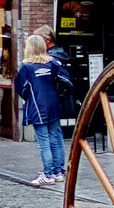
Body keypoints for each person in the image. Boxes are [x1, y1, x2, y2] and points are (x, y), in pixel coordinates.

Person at [14, 35, 73, 185]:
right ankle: (59, 171)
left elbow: (22, 88)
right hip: (53, 104)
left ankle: (47, 174)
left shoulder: (27, 67)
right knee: (56, 138)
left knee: (44, 141)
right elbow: (67, 82)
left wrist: (30, 96)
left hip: (38, 105)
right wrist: (58, 95)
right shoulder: (52, 63)